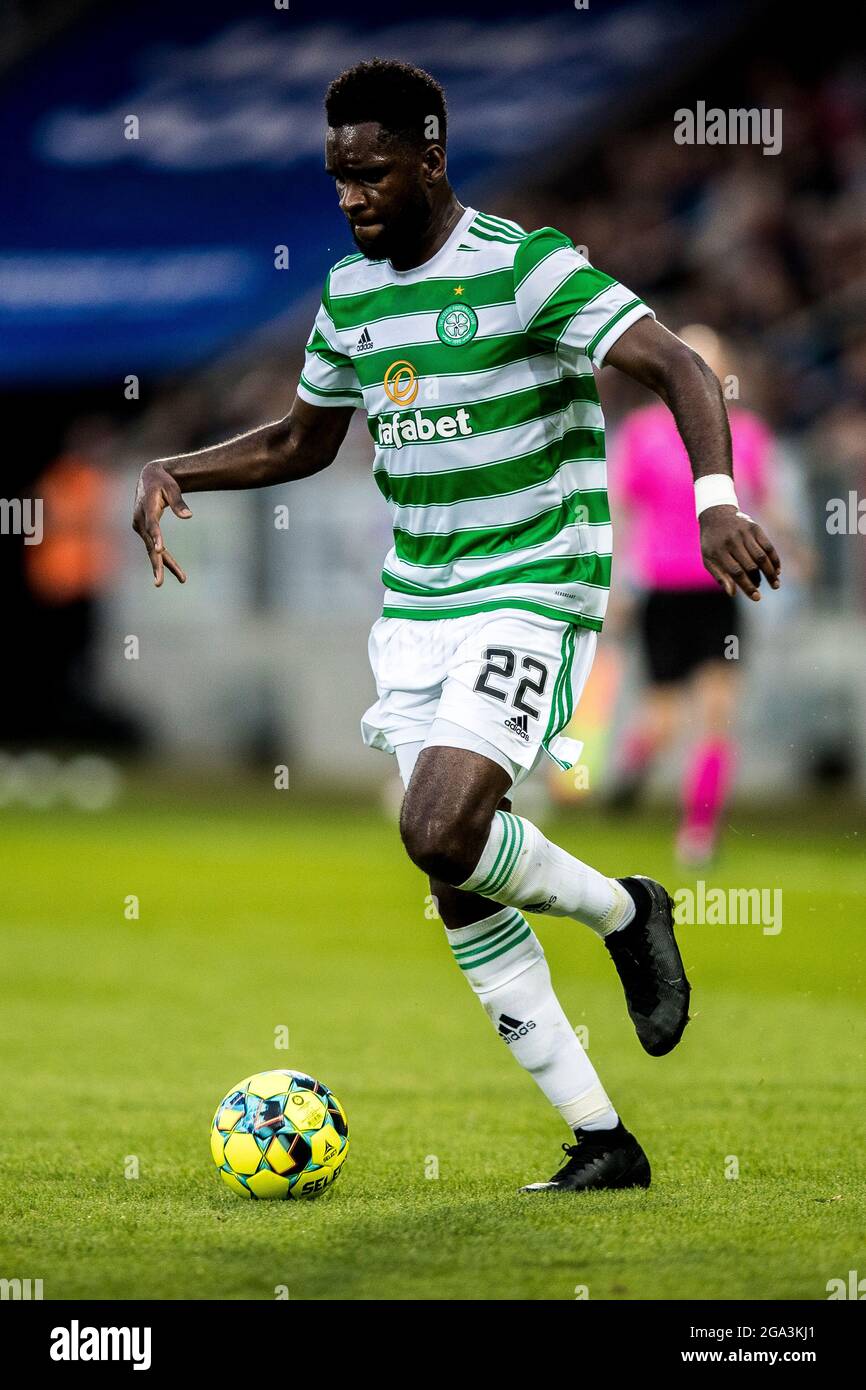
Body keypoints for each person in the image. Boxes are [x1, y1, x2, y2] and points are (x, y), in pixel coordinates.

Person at [132, 59, 781, 1194]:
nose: (351, 200)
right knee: (457, 877)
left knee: (436, 827)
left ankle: (628, 910)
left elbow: (676, 364)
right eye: (336, 180)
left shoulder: (527, 270)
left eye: (371, 174)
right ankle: (601, 1140)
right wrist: (175, 464)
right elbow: (301, 440)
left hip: (533, 586)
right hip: (417, 608)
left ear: (430, 157)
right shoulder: (348, 294)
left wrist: (713, 501)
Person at [609, 326, 777, 863]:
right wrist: (617, 584)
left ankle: (698, 832)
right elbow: (621, 510)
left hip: (720, 586)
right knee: (662, 720)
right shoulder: (641, 433)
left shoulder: (745, 434)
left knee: (717, 711)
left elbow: (764, 502)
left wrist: (793, 547)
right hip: (663, 590)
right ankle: (633, 768)